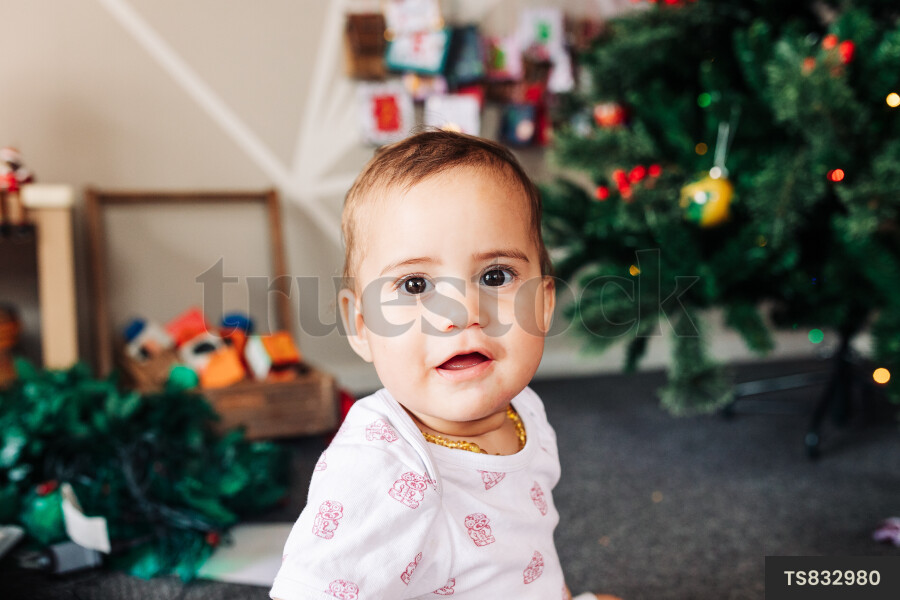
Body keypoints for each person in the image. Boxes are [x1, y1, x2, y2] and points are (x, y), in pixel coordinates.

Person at [270, 130, 620, 600]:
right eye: (415, 285)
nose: (461, 312)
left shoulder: (527, 410)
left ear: (542, 303)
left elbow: (526, 551)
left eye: (496, 276)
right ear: (361, 323)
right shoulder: (380, 465)